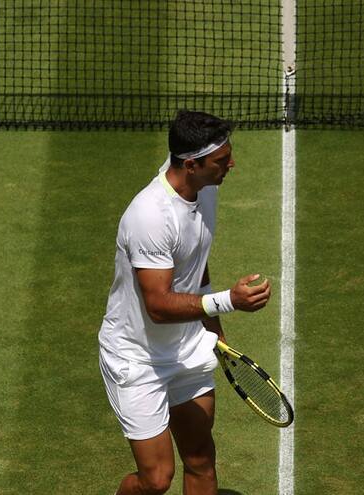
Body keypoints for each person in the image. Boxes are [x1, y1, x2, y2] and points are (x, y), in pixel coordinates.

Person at [98, 110, 271, 495]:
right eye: (222, 160)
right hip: (136, 358)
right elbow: (157, 305)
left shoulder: (202, 185)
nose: (231, 164)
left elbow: (195, 254)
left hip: (186, 349)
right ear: (191, 165)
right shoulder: (150, 217)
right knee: (156, 480)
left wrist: (214, 331)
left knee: (200, 459)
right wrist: (228, 301)